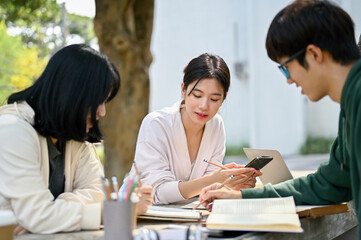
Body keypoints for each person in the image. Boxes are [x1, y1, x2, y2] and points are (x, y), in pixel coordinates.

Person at [198, 0, 361, 234]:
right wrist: (242, 196)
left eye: (285, 67)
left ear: (314, 54)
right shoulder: (350, 102)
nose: (288, 79)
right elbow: (330, 184)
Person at [0, 44, 152, 235]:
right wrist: (109, 213)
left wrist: (50, 211)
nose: (102, 112)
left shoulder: (73, 135)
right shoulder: (13, 130)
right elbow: (39, 216)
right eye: (98, 100)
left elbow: (97, 191)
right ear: (71, 93)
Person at [129, 53, 261, 204]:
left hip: (191, 216)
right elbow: (156, 192)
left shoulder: (216, 125)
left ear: (223, 99)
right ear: (183, 91)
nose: (204, 106)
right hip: (142, 216)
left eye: (214, 99)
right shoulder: (156, 124)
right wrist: (212, 180)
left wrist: (232, 184)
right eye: (197, 95)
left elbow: (209, 189)